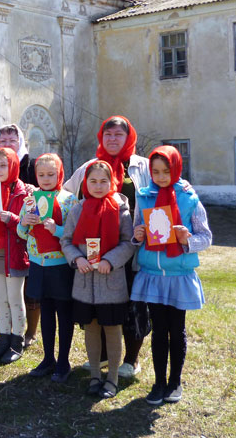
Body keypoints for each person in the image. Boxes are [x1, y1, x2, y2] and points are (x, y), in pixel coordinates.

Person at [63, 115, 151, 379]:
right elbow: (66, 195)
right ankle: (101, 356)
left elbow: (164, 190)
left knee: (134, 304)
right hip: (93, 253)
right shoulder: (89, 167)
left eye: (118, 134)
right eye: (108, 134)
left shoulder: (142, 167)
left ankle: (131, 359)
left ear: (129, 137)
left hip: (134, 247)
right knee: (99, 300)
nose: (113, 139)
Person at [131, 146, 212, 405]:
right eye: (155, 171)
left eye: (166, 171)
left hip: (178, 275)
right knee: (158, 332)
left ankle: (175, 382)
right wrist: (138, 235)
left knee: (177, 331)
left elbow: (206, 237)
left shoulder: (189, 198)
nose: (161, 176)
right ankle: (158, 383)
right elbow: (135, 231)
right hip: (152, 274)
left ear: (177, 168)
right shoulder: (143, 196)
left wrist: (187, 239)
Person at [61, 160, 135, 399]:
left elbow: (128, 243)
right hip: (85, 282)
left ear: (111, 181)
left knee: (112, 330)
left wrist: (110, 260)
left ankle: (112, 378)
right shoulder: (78, 209)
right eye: (93, 181)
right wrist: (76, 259)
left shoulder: (121, 209)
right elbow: (67, 241)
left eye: (104, 181)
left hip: (111, 282)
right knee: (91, 329)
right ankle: (94, 374)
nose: (98, 185)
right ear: (85, 183)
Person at [0, 123, 40, 348]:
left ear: (13, 165)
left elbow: (28, 228)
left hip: (14, 254)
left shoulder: (23, 192)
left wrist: (11, 219)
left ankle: (18, 340)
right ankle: (4, 338)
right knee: (0, 299)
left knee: (15, 299)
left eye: (4, 165)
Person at [17, 154, 79, 381]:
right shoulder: (31, 199)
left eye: (51, 174)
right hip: (38, 264)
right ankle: (47, 358)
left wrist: (58, 230)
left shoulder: (69, 200)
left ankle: (63, 361)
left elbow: (76, 236)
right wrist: (23, 223)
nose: (45, 179)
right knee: (46, 313)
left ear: (59, 173)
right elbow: (21, 233)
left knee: (64, 313)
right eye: (41, 175)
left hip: (61, 266)